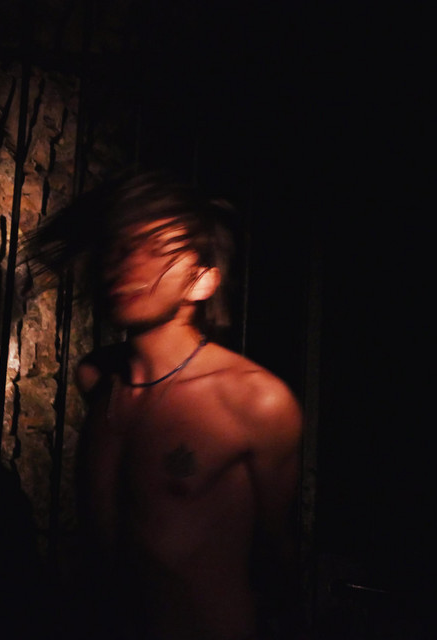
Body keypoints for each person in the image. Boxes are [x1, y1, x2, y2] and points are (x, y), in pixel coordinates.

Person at [28, 172, 303, 640]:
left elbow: (280, 555)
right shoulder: (97, 379)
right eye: (122, 245)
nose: (129, 263)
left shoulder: (253, 400)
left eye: (158, 248)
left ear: (202, 281)